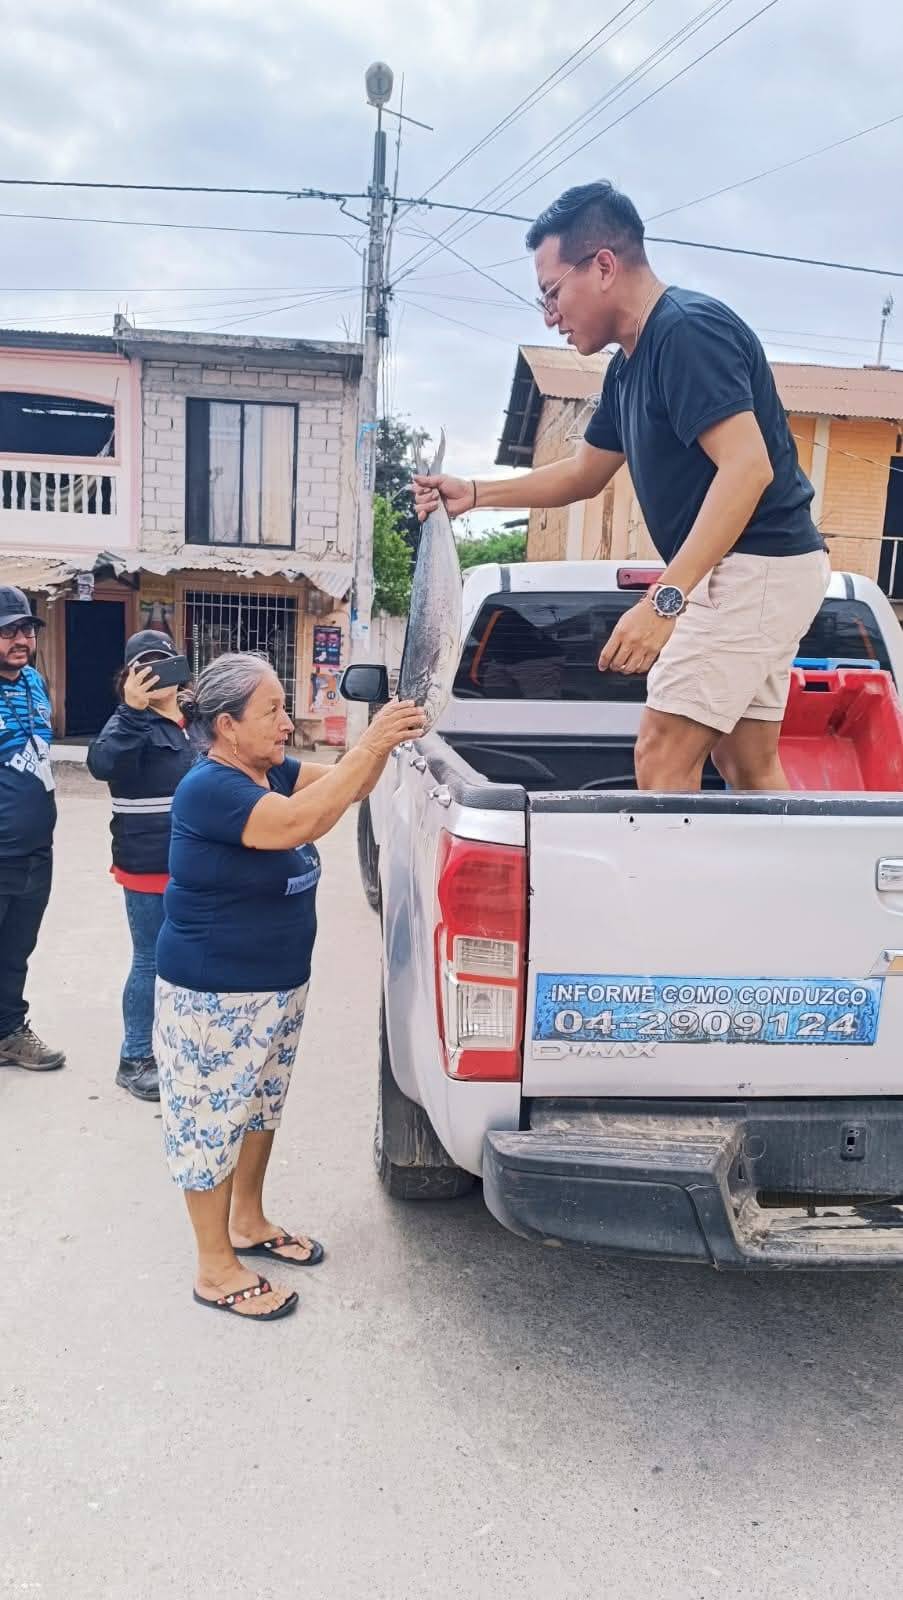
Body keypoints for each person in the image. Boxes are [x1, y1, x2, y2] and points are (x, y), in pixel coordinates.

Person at [414, 180, 831, 795]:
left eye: (552, 292)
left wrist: (664, 602)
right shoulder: (628, 367)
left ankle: (679, 868)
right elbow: (584, 473)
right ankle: (778, 862)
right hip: (763, 569)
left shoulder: (686, 332)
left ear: (603, 266)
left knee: (661, 754)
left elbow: (749, 469)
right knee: (746, 763)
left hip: (755, 565)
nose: (549, 314)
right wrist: (474, 493)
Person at [154, 653, 425, 1322]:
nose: (287, 721)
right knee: (209, 1124)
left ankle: (247, 1221)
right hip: (215, 994)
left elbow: (348, 785)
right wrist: (372, 742)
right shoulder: (210, 788)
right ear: (226, 725)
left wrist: (388, 741)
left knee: (258, 1110)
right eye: (272, 709)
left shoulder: (269, 769)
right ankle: (214, 1267)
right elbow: (300, 823)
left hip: (274, 985)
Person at [87, 630, 193, 1102]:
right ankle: (134, 1058)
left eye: (162, 664)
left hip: (195, 862)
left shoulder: (195, 721)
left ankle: (177, 1047)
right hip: (148, 865)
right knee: (150, 959)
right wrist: (131, 709)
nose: (155, 675)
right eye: (143, 667)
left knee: (190, 960)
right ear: (128, 677)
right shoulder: (129, 724)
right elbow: (103, 763)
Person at [0, 585, 64, 1073]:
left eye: (27, 630)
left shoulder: (35, 683)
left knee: (16, 950)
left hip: (36, 849)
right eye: (8, 631)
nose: (21, 640)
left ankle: (8, 1032)